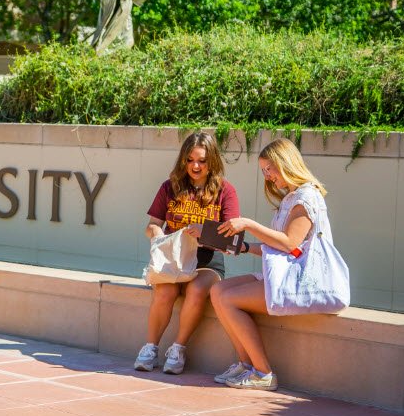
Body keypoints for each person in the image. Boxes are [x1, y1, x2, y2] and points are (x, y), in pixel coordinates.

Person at [210, 138, 332, 391]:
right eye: (264, 171)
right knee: (217, 290)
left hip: (300, 282)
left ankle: (263, 372)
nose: (267, 177)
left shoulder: (305, 198)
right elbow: (282, 246)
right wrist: (241, 247)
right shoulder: (291, 197)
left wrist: (249, 224)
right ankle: (246, 365)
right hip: (283, 274)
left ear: (285, 163)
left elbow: (290, 244)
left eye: (269, 169)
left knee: (228, 299)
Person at [136, 132, 240, 374]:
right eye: (190, 159)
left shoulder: (225, 190)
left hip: (207, 260)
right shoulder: (169, 187)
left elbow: (233, 237)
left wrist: (204, 232)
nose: (195, 166)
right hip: (173, 258)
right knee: (165, 290)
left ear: (212, 161)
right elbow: (153, 224)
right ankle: (150, 347)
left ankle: (178, 348)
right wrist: (156, 233)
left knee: (196, 290)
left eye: (202, 161)